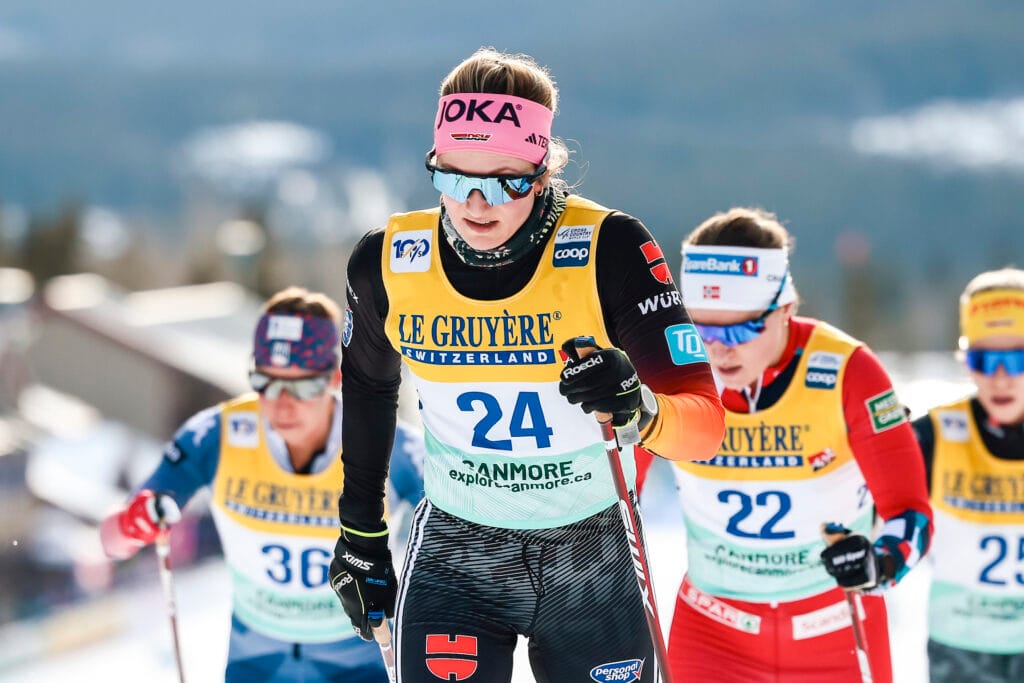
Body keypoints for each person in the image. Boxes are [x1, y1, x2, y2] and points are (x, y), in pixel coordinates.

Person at [327, 47, 724, 683]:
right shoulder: (388, 261)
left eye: (504, 181)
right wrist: (361, 532)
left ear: (541, 171)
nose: (476, 204)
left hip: (589, 547)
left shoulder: (611, 246)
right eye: (454, 178)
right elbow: (370, 387)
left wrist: (638, 406)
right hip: (458, 547)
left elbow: (705, 426)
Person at [656, 207, 932, 682]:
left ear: (786, 309)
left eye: (740, 329)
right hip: (713, 636)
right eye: (701, 328)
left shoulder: (848, 371)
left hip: (837, 633)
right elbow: (615, 490)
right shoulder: (674, 366)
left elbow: (911, 513)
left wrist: (879, 562)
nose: (718, 349)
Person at [100, 286, 424, 683]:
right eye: (265, 381)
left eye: (302, 386)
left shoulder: (384, 440)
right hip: (258, 659)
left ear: (335, 379)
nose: (281, 403)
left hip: (355, 660)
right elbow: (112, 540)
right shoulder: (218, 435)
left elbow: (460, 527)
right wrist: (136, 523)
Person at [911, 267, 1024, 682]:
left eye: (1016, 359)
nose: (999, 377)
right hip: (962, 649)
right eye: (983, 359)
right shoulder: (936, 434)